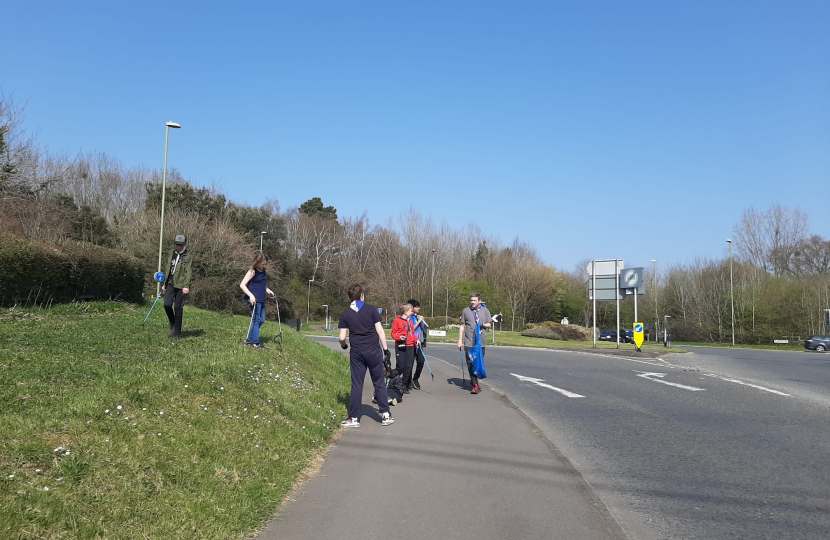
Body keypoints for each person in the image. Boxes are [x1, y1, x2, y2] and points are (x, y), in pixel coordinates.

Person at [338, 284, 394, 428]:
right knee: (379, 382)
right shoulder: (371, 310)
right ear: (362, 295)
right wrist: (386, 350)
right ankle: (386, 415)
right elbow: (380, 331)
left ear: (350, 297)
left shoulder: (345, 314)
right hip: (374, 350)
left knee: (357, 384)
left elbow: (342, 337)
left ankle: (354, 418)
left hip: (357, 352)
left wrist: (344, 346)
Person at [457, 292, 492, 394]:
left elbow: (489, 325)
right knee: (470, 363)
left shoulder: (485, 311)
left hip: (481, 342)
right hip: (469, 341)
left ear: (479, 301)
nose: (472, 302)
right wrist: (459, 340)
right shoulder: (466, 311)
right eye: (471, 300)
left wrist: (483, 324)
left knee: (478, 363)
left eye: (474, 300)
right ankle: (475, 384)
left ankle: (475, 380)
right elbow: (462, 326)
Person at [239, 252, 274, 349]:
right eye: (262, 264)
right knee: (256, 320)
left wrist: (268, 290)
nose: (263, 266)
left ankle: (250, 339)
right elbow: (242, 285)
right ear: (257, 262)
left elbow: (261, 284)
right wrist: (251, 296)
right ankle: (256, 343)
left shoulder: (263, 271)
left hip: (262, 299)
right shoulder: (252, 272)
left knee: (261, 320)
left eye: (265, 264)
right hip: (254, 299)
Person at [162, 234, 193, 339]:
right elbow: (168, 268)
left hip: (181, 285)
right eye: (177, 244)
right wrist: (165, 284)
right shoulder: (172, 253)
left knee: (178, 308)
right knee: (166, 304)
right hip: (170, 283)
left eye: (181, 244)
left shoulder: (188, 256)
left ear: (184, 244)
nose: (179, 246)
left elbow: (188, 271)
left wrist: (186, 286)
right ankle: (173, 324)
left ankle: (177, 333)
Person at [391, 303, 417, 393]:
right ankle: (392, 379)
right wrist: (399, 337)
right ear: (406, 312)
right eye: (411, 311)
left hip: (410, 346)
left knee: (408, 367)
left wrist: (416, 340)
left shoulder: (410, 321)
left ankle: (405, 385)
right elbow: (393, 333)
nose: (412, 312)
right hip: (400, 346)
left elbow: (412, 333)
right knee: (400, 367)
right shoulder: (397, 321)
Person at [407, 299, 429, 389]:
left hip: (419, 343)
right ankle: (408, 381)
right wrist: (419, 321)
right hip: (411, 343)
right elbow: (411, 329)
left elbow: (423, 329)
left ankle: (416, 378)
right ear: (412, 308)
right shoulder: (409, 318)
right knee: (410, 363)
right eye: (416, 307)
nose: (418, 308)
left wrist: (422, 322)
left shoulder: (417, 316)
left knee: (421, 361)